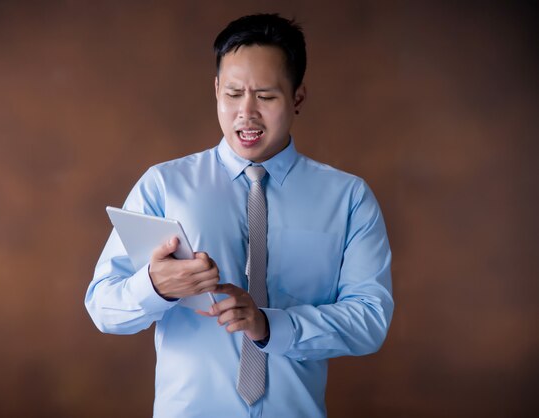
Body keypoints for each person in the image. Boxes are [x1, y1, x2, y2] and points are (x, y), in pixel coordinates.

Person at [85, 13, 393, 418]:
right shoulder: (164, 185)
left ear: (298, 97)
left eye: (265, 97)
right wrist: (153, 286)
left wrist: (269, 326)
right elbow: (103, 306)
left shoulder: (348, 198)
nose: (246, 114)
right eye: (232, 94)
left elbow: (369, 319)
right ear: (215, 90)